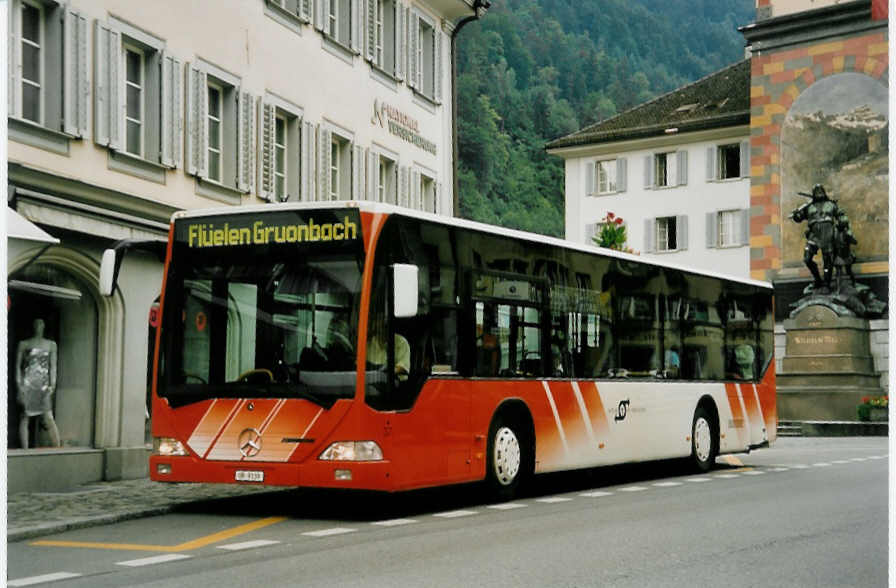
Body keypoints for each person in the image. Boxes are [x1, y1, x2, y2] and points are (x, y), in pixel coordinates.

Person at [15, 318, 61, 448]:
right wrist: (19, 386)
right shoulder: (24, 344)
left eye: (41, 323)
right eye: (36, 324)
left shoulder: (51, 344)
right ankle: (25, 450)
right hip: (28, 383)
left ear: (44, 326)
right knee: (25, 417)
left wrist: (52, 385)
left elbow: (53, 366)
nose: (38, 326)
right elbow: (17, 367)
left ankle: (57, 448)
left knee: (48, 417)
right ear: (32, 326)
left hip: (43, 385)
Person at [790, 184, 842, 290]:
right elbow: (799, 218)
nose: (819, 192)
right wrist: (796, 215)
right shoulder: (809, 207)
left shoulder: (831, 204)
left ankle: (826, 283)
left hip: (828, 234)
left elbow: (840, 215)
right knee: (807, 258)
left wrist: (842, 222)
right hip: (814, 236)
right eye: (816, 191)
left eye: (820, 190)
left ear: (824, 192)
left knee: (828, 260)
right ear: (813, 193)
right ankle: (817, 279)